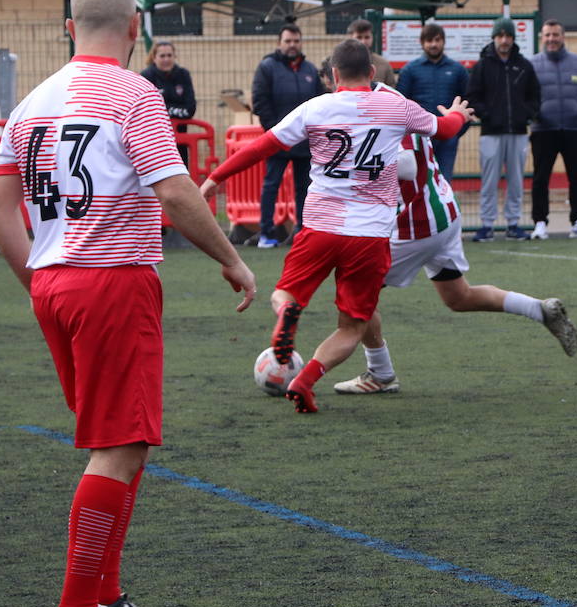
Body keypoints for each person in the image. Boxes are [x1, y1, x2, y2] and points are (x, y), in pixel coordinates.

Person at [0, 0, 258, 607]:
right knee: (120, 444)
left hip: (55, 284)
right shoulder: (136, 94)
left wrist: (37, 281)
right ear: (136, 29)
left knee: (118, 440)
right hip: (111, 283)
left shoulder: (31, 102)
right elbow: (174, 191)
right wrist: (231, 258)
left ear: (71, 27)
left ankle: (104, 597)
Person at [201, 39, 471, 413]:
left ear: (332, 75)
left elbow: (262, 146)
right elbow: (444, 130)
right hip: (370, 235)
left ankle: (286, 315)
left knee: (285, 294)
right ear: (373, 74)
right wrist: (458, 113)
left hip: (319, 228)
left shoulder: (316, 107)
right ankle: (305, 380)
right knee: (352, 327)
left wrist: (216, 178)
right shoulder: (395, 105)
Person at [332, 86, 577, 395]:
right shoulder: (397, 102)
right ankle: (539, 310)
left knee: (353, 295)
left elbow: (406, 165)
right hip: (442, 215)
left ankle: (380, 374)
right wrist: (451, 116)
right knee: (458, 297)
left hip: (414, 227)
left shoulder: (381, 109)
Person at [250, 23, 325, 248]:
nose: (292, 45)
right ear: (279, 43)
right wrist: (276, 132)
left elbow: (319, 103)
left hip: (304, 142)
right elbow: (260, 102)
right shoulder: (267, 67)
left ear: (301, 42)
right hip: (278, 141)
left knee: (305, 188)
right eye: (288, 41)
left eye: (296, 41)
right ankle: (266, 233)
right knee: (271, 185)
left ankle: (302, 231)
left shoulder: (311, 70)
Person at [465, 17, 540, 241]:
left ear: (513, 38)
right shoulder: (482, 66)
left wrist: (526, 114)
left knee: (516, 180)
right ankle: (487, 224)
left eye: (508, 36)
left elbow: (535, 97)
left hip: (517, 132)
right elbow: (473, 97)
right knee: (489, 180)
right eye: (500, 36)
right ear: (494, 38)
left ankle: (513, 223)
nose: (504, 40)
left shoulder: (524, 65)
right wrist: (487, 115)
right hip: (491, 132)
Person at [529, 20, 577, 239]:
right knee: (540, 178)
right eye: (547, 35)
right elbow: (523, 95)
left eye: (555, 35)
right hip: (543, 130)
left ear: (563, 37)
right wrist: (534, 113)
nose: (551, 39)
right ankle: (540, 223)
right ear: (541, 37)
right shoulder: (532, 64)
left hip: (574, 128)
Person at [396, 22, 469, 182]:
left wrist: (456, 132)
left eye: (437, 40)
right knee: (419, 182)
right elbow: (401, 104)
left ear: (443, 41)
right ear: (422, 43)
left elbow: (466, 104)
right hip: (419, 138)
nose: (434, 44)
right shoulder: (410, 70)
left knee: (444, 182)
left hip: (448, 139)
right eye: (429, 40)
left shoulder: (458, 70)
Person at [140, 41, 197, 163]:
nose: (166, 59)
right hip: (155, 140)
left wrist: (164, 109)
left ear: (174, 56)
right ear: (154, 58)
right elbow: (147, 109)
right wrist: (175, 109)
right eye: (162, 56)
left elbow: (190, 109)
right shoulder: (146, 76)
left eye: (169, 55)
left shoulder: (183, 74)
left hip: (180, 140)